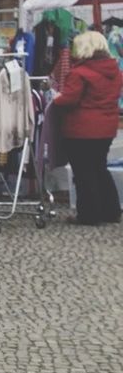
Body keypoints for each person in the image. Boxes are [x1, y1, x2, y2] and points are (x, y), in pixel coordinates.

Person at [53, 30, 122, 226]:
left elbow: (69, 100)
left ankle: (89, 215)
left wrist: (56, 100)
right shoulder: (114, 71)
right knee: (100, 169)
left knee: (84, 173)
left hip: (81, 130)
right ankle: (111, 211)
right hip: (106, 129)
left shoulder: (79, 73)